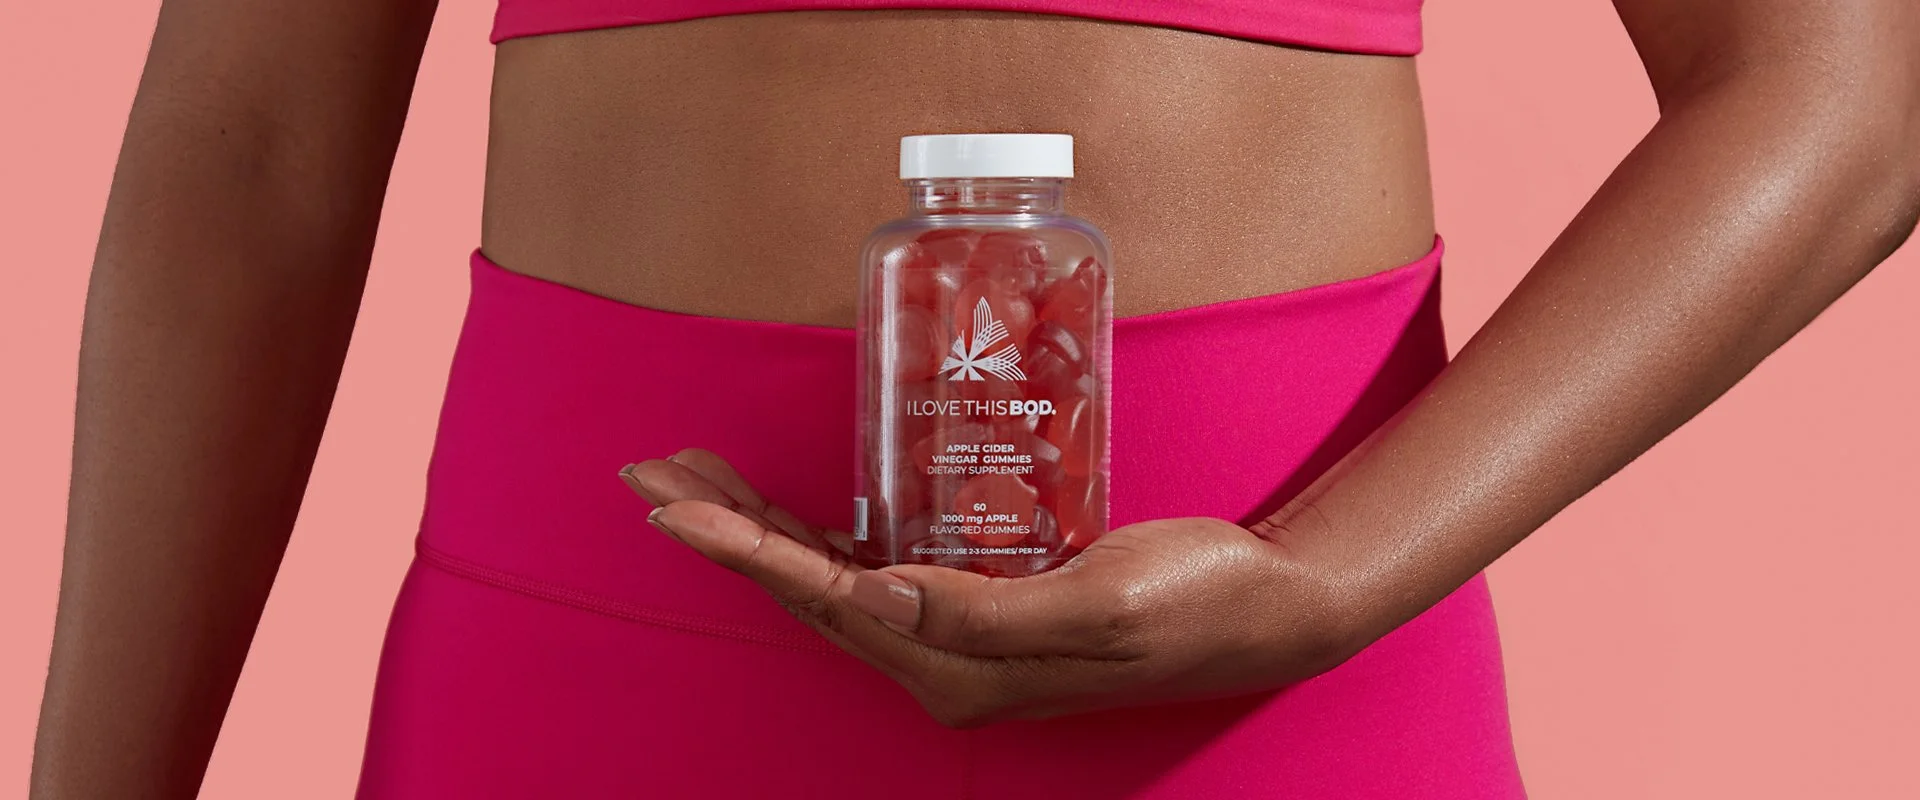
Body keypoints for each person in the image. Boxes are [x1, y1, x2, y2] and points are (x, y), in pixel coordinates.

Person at [31, 0, 1919, 797]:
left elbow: (1842, 86)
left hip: (1273, 721)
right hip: (585, 701)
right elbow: (253, 170)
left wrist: (1335, 579)